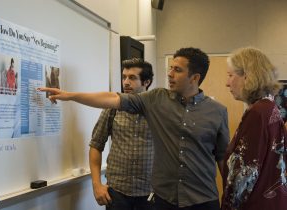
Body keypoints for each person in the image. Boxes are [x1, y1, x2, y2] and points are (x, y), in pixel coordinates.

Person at [38, 47, 229, 210]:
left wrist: (231, 198)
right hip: (160, 199)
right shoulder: (156, 99)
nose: (170, 74)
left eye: (177, 70)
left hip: (202, 199)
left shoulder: (218, 112)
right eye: (170, 68)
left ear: (194, 78)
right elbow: (112, 98)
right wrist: (70, 95)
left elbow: (223, 158)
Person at [222, 47, 287, 210]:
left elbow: (245, 175)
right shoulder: (271, 108)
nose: (227, 82)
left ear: (247, 76)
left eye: (231, 75)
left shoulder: (257, 114)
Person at [89, 58, 154, 210]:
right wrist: (97, 185)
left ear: (147, 82)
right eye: (124, 77)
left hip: (151, 193)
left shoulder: (158, 109)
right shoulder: (112, 108)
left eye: (132, 78)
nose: (126, 82)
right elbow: (96, 145)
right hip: (117, 192)